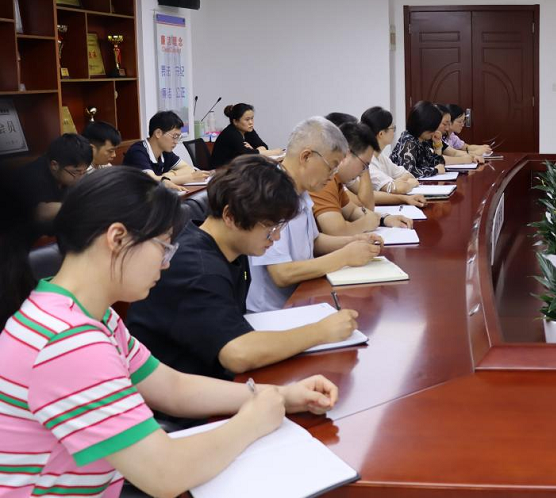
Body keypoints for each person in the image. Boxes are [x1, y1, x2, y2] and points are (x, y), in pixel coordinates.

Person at [0, 167, 339, 498]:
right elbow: (165, 474)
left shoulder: (87, 314)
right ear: (117, 238)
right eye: (163, 247)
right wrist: (252, 421)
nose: (166, 263)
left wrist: (283, 395)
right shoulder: (67, 341)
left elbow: (172, 387)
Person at [127, 155, 359, 381]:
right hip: (184, 395)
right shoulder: (197, 267)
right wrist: (321, 332)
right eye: (269, 227)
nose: (276, 237)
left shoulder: (228, 250)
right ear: (230, 216)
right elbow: (238, 354)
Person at [246, 117, 383, 313]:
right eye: (331, 166)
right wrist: (344, 257)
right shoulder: (269, 193)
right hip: (275, 313)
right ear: (306, 157)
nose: (333, 174)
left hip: (304, 297)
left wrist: (354, 240)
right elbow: (281, 274)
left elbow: (314, 242)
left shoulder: (301, 190)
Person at [312, 121, 412, 235]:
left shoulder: (337, 181)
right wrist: (364, 224)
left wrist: (384, 219)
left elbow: (352, 211)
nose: (362, 172)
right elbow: (336, 231)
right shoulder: (324, 179)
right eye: (364, 165)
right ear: (346, 154)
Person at [13, 133, 92, 243]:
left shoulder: (68, 174)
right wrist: (80, 204)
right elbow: (41, 213)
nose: (81, 177)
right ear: (54, 165)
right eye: (76, 172)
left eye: (84, 172)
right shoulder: (32, 176)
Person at [122, 110, 210, 191]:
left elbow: (188, 169)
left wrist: (165, 176)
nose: (176, 142)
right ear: (158, 133)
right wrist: (191, 178)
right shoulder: (137, 152)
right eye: (174, 136)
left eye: (178, 137)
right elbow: (152, 181)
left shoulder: (165, 152)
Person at [360, 106, 427, 207]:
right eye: (393, 128)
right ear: (381, 134)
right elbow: (399, 188)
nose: (394, 132)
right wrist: (407, 183)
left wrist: (397, 182)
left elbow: (408, 174)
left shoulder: (381, 157)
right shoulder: (367, 160)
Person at [210, 102, 283, 168]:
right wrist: (272, 152)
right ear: (235, 121)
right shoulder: (231, 133)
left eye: (252, 118)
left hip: (237, 169)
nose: (251, 122)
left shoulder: (248, 130)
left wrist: (254, 151)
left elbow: (263, 145)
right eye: (247, 119)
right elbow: (245, 154)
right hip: (221, 171)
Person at [391, 101, 449, 178]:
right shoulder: (409, 141)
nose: (435, 131)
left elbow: (437, 161)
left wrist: (438, 145)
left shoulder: (422, 140)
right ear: (424, 125)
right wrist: (435, 170)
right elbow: (408, 172)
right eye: (433, 127)